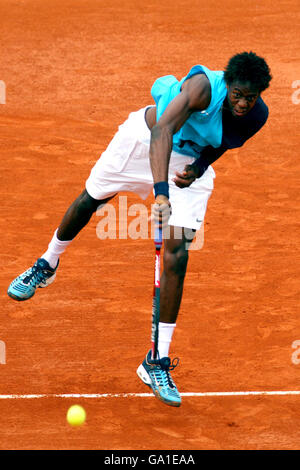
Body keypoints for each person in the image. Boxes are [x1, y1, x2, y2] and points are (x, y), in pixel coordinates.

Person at [8, 51, 272, 407]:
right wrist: (160, 194)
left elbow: (221, 144)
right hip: (143, 139)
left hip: (185, 161)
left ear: (259, 94)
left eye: (250, 97)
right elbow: (163, 129)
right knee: (91, 198)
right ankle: (47, 263)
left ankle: (156, 360)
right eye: (237, 94)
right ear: (228, 85)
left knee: (178, 253)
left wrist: (198, 167)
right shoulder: (202, 88)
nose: (242, 103)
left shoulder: (257, 117)